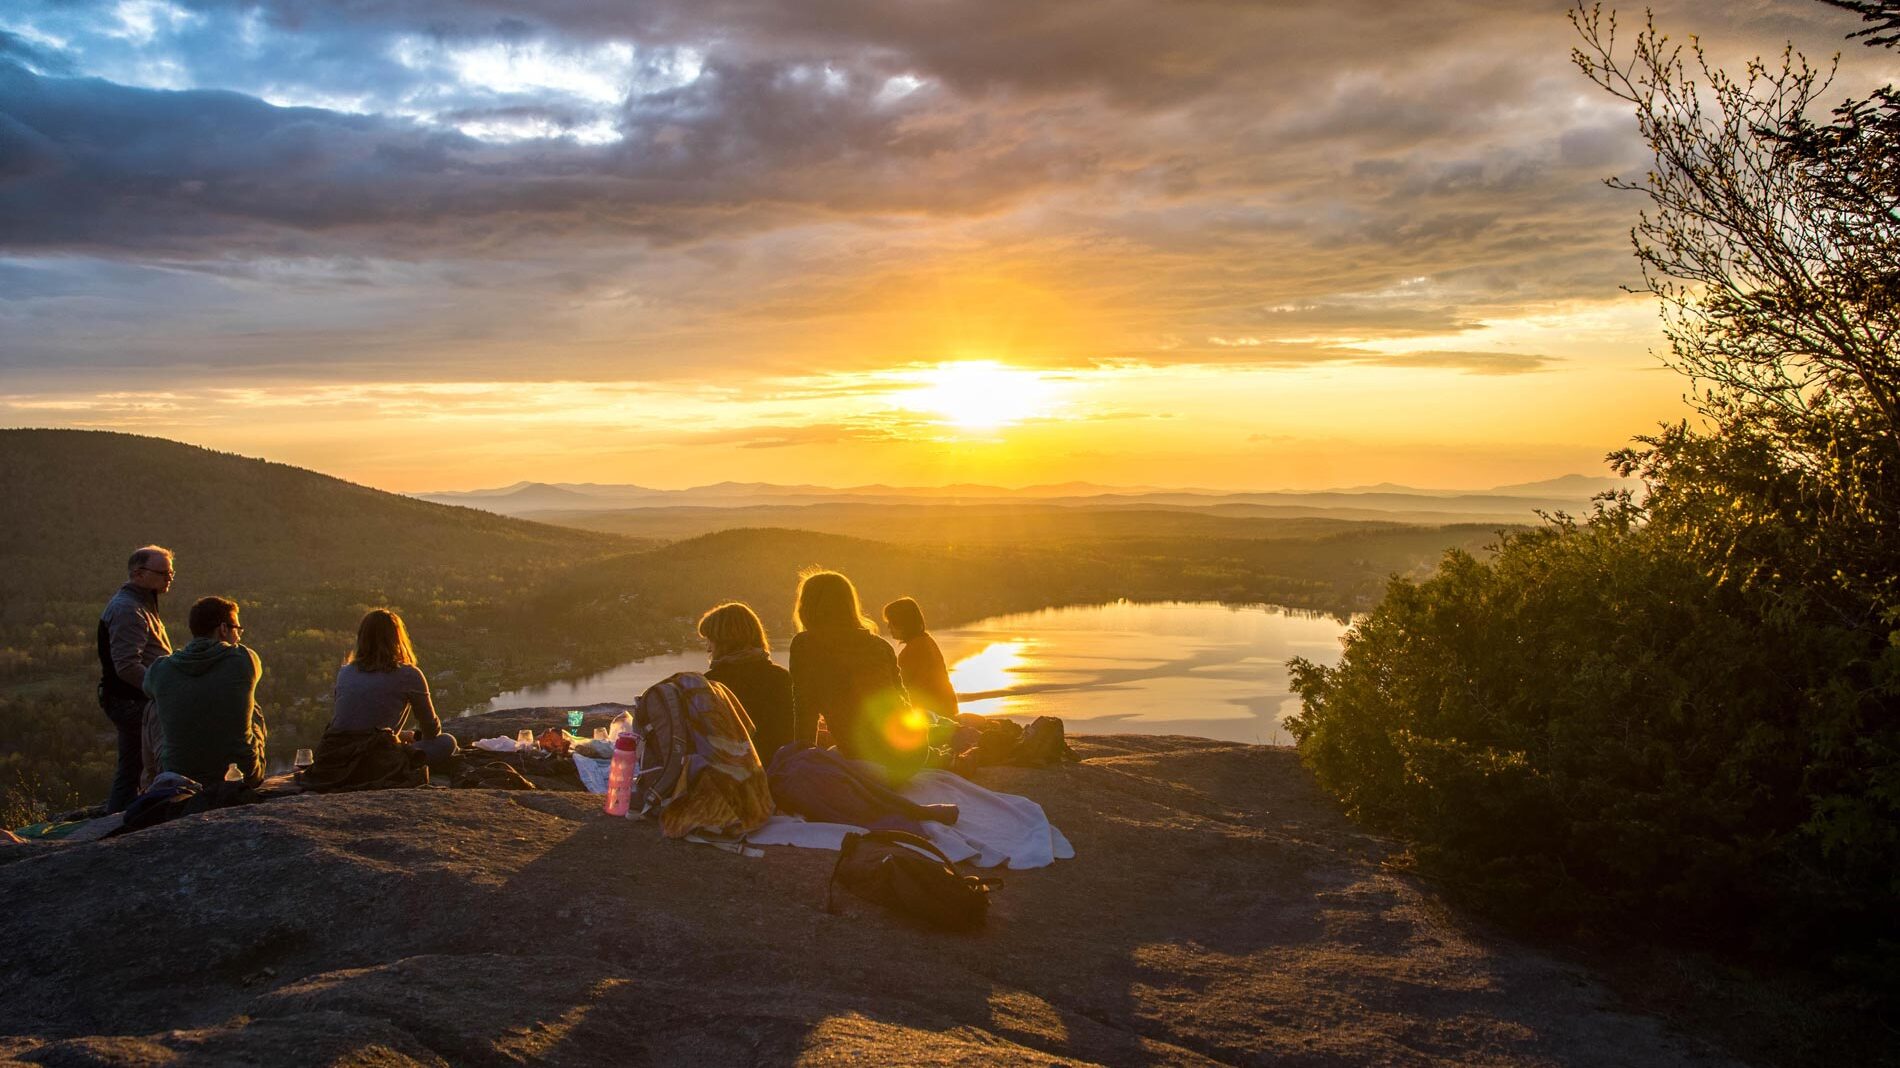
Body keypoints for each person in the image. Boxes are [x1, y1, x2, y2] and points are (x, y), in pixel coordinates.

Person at [788, 570, 929, 779]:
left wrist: (802, 765)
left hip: (870, 760)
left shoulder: (805, 645)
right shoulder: (880, 646)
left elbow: (805, 713)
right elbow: (904, 702)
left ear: (807, 607)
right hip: (915, 754)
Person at [143, 596, 268, 788]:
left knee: (152, 706)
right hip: (242, 775)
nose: (240, 635)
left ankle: (151, 785)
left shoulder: (160, 669)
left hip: (179, 777)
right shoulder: (245, 659)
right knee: (251, 702)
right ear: (223, 629)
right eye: (237, 629)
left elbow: (147, 689)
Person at [97, 545, 175, 812]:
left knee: (135, 765)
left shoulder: (141, 603)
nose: (170, 578)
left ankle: (122, 817)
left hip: (134, 698)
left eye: (171, 572)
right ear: (138, 574)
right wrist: (160, 690)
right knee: (136, 765)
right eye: (163, 572)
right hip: (132, 700)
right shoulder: (128, 610)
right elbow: (128, 666)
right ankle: (120, 822)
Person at [329, 609, 457, 768]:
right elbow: (431, 731)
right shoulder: (408, 674)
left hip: (336, 757)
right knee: (447, 742)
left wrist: (400, 735)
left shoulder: (345, 672)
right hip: (376, 762)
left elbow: (354, 722)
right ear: (397, 638)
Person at [698, 602, 794, 764]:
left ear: (723, 641)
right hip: (782, 774)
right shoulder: (783, 678)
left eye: (710, 641)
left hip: (734, 779)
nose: (708, 649)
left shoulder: (711, 685)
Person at [882, 597, 960, 721]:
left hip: (932, 715)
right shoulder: (927, 641)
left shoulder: (912, 651)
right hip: (947, 709)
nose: (888, 627)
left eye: (891, 622)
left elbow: (898, 687)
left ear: (902, 623)